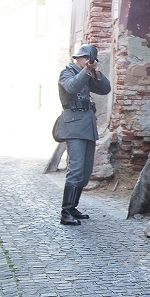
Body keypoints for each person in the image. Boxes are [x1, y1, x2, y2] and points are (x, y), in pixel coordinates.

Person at [53, 44, 111, 226]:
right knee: (76, 169)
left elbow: (105, 89)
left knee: (85, 172)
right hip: (73, 126)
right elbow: (71, 87)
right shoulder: (68, 72)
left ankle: (73, 207)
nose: (87, 61)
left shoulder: (87, 73)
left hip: (87, 126)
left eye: (89, 59)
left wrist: (96, 73)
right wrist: (86, 71)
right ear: (78, 58)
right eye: (85, 58)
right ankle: (65, 212)